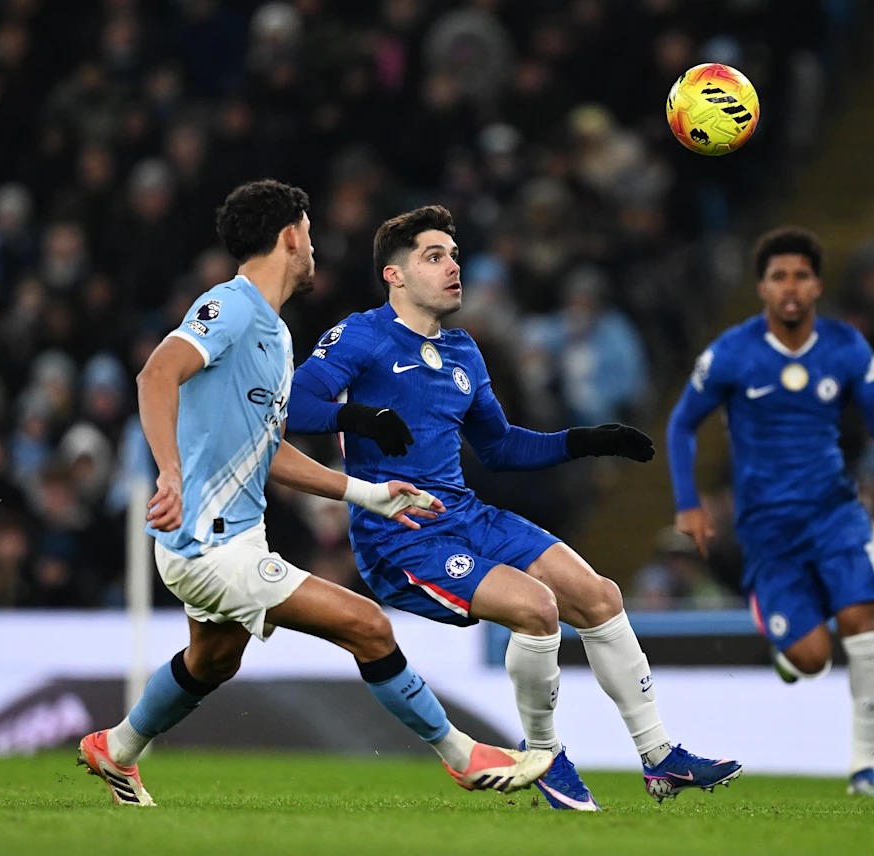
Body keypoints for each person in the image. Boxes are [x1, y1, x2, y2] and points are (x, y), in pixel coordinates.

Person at [76, 181, 553, 806]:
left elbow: (268, 450)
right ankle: (463, 756)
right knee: (367, 625)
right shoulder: (230, 307)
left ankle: (116, 747)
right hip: (208, 542)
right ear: (289, 237)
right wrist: (169, 471)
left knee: (214, 660)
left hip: (235, 536)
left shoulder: (274, 335)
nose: (314, 247)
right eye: (308, 233)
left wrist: (367, 493)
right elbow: (156, 374)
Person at [287, 204, 741, 809]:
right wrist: (359, 417)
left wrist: (585, 440)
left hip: (465, 514)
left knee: (600, 597)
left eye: (453, 255)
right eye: (434, 256)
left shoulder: (463, 351)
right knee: (536, 608)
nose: (453, 267)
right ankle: (544, 756)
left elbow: (499, 447)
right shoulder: (362, 336)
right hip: (401, 533)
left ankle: (660, 758)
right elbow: (295, 404)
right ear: (394, 275)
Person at [666, 226, 874, 797]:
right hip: (768, 529)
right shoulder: (732, 353)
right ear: (762, 288)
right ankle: (782, 633)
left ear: (818, 285)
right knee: (813, 658)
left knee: (863, 622)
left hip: (834, 513)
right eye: (779, 277)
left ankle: (865, 769)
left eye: (801, 275)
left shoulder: (846, 346)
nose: (791, 287)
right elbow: (680, 425)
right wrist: (688, 503)